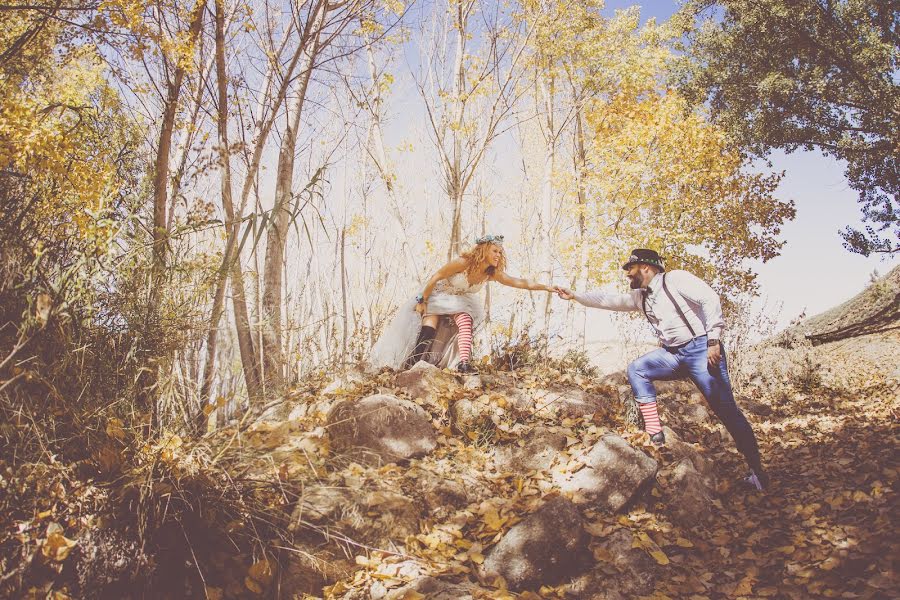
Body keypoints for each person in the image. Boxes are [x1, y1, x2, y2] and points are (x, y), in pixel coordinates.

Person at [555, 249, 770, 491]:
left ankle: (757, 472)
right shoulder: (640, 297)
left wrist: (714, 340)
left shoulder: (675, 279)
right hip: (673, 355)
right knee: (637, 369)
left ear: (646, 267)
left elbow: (710, 299)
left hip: (702, 350)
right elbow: (608, 300)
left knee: (727, 411)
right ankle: (655, 432)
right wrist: (575, 296)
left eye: (631, 269)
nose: (627, 274)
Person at [370, 234, 555, 374]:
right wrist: (422, 300)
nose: (499, 255)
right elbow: (436, 277)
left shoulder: (491, 273)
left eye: (500, 252)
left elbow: (518, 282)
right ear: (484, 250)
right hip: (437, 294)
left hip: (459, 301)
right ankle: (413, 363)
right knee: (428, 329)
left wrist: (547, 287)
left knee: (466, 319)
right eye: (495, 251)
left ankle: (464, 363)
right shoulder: (464, 262)